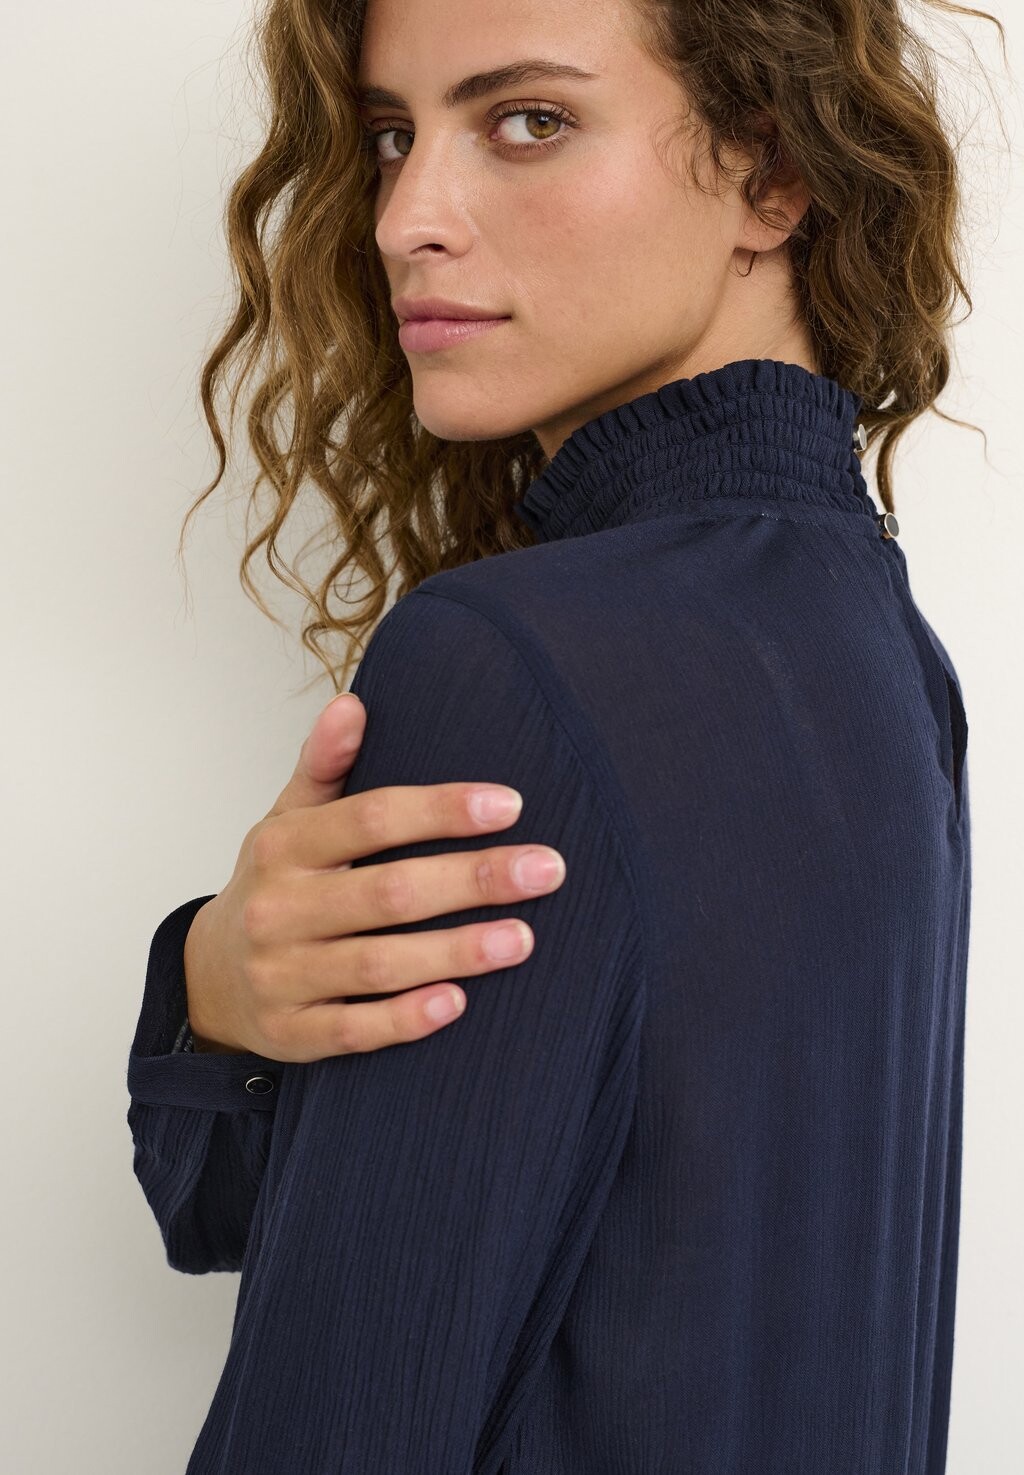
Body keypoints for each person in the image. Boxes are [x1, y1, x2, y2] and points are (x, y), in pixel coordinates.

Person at [125, 0, 994, 1469]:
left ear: (773, 175)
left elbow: (342, 1403)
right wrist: (221, 994)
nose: (405, 218)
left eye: (528, 121)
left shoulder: (510, 657)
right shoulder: (885, 648)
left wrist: (205, 1030)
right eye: (391, 136)